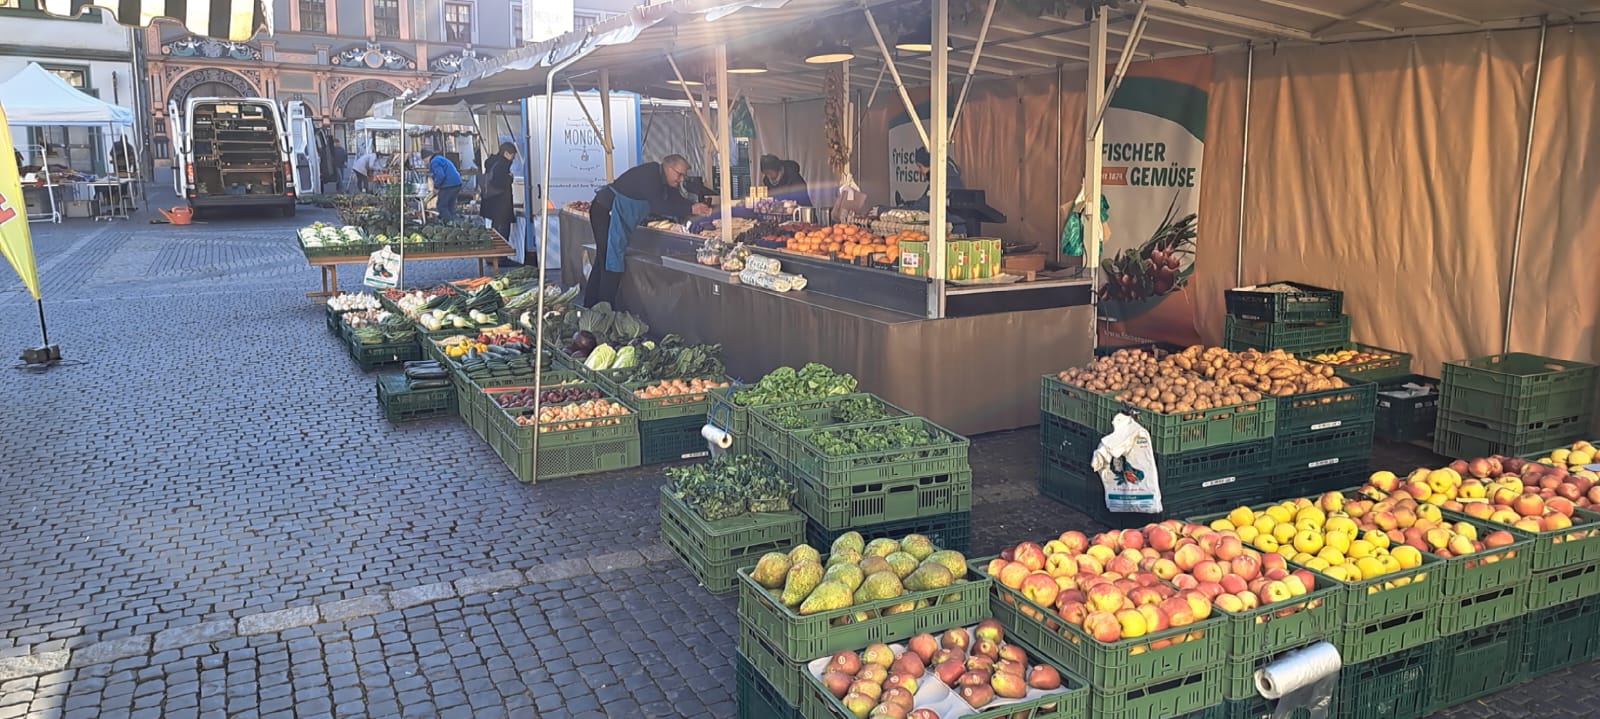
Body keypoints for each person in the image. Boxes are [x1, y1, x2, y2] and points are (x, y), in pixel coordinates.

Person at [585, 154, 712, 307]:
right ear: (667, 166)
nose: (681, 179)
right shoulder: (650, 174)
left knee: (603, 260)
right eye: (679, 174)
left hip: (611, 213)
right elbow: (657, 205)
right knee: (609, 262)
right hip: (604, 211)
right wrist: (691, 207)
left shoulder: (666, 183)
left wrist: (694, 207)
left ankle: (591, 307)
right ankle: (603, 311)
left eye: (683, 176)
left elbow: (676, 200)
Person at [480, 142, 518, 240]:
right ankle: (502, 255)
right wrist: (510, 179)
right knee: (503, 233)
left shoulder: (492, 162)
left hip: (492, 203)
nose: (513, 159)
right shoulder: (502, 164)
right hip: (501, 205)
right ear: (506, 153)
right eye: (512, 155)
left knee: (495, 230)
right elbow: (498, 182)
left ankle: (496, 254)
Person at [422, 149, 463, 222]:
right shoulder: (440, 158)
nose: (425, 163)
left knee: (442, 206)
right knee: (450, 206)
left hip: (449, 184)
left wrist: (436, 187)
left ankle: (449, 224)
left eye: (425, 161)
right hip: (456, 183)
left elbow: (440, 175)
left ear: (428, 157)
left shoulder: (434, 162)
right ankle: (455, 223)